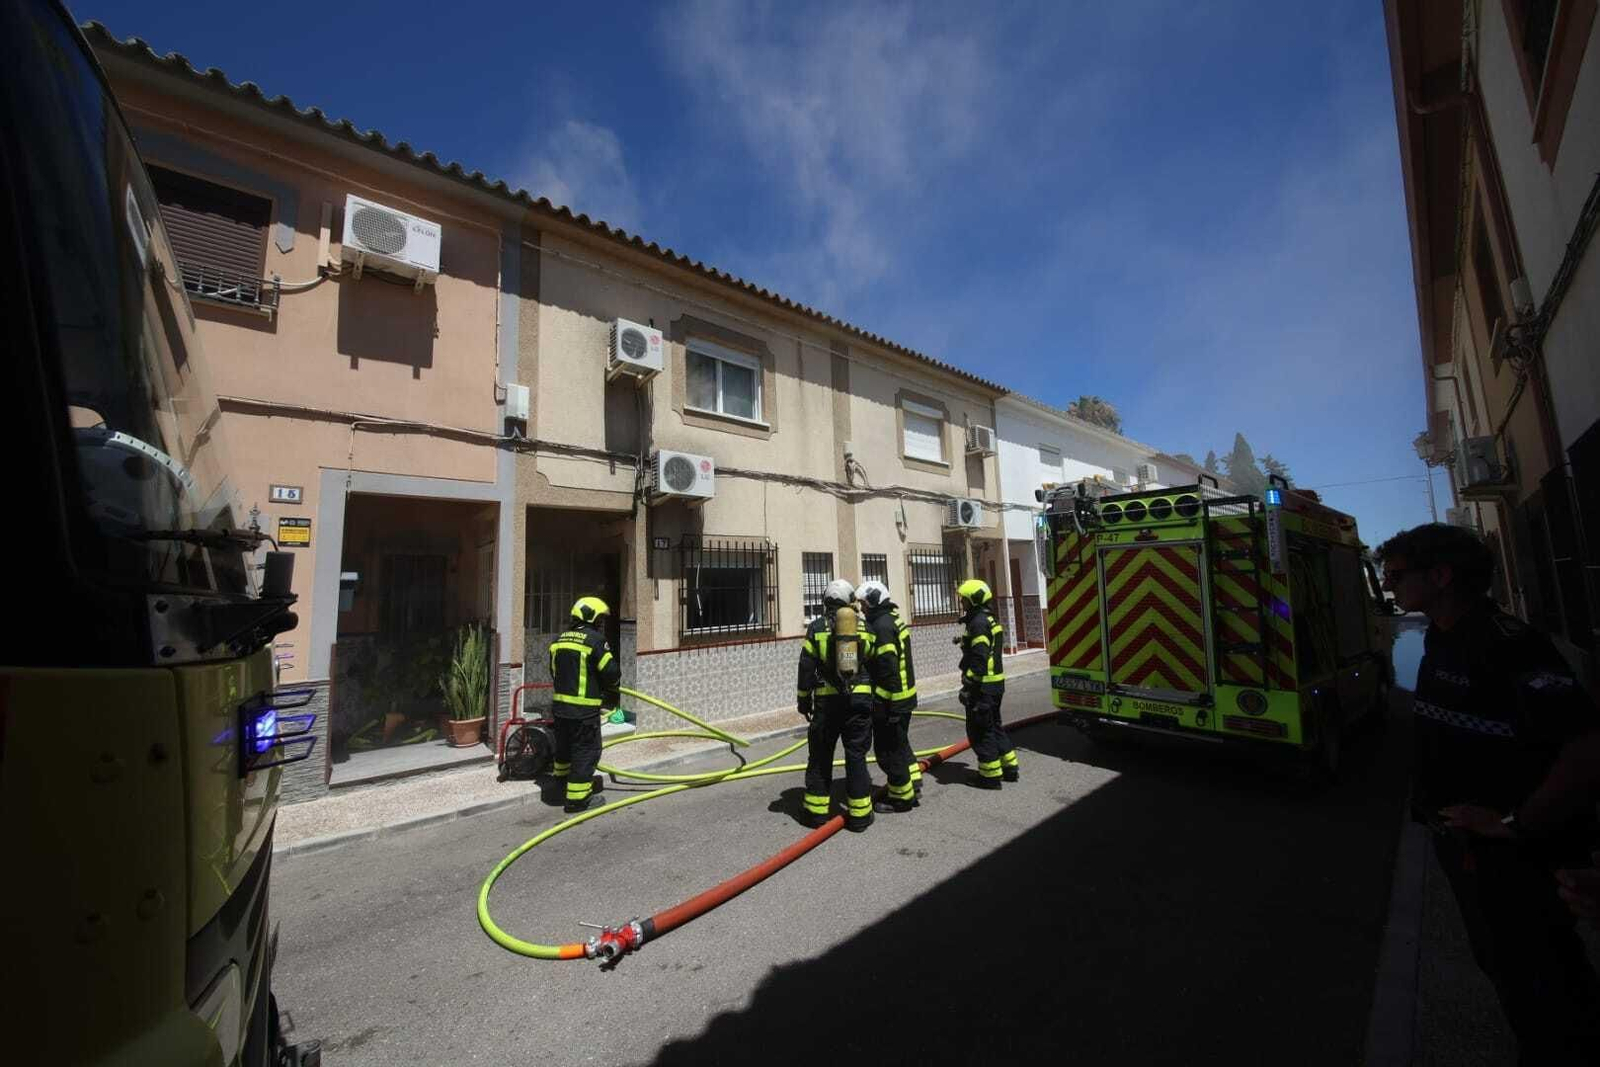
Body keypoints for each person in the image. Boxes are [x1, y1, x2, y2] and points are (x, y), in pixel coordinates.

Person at [1377, 523, 1600, 1063]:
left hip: (1513, 856)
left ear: (1441, 576)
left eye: (1397, 575)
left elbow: (1586, 745)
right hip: (1464, 844)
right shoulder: (1443, 634)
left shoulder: (1507, 645)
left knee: (1542, 982)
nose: (1388, 585)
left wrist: (1516, 824)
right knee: (1505, 967)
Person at [797, 578, 875, 831]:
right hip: (859, 701)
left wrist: (803, 700)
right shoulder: (864, 627)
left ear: (826, 601)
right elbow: (874, 660)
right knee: (856, 756)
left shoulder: (816, 628)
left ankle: (816, 814)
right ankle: (860, 816)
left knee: (821, 756)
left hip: (827, 704)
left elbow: (806, 667)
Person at [548, 596, 623, 814]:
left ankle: (561, 784)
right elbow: (611, 673)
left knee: (564, 748)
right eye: (600, 618)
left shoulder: (559, 640)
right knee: (586, 751)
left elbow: (553, 672)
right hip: (583, 712)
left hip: (560, 709)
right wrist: (611, 687)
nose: (601, 622)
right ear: (592, 617)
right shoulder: (595, 641)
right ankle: (578, 799)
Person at [857, 580, 920, 809]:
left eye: (864, 604)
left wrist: (884, 703)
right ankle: (912, 782)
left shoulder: (881, 627)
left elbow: (888, 669)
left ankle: (901, 798)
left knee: (887, 751)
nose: (862, 609)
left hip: (892, 701)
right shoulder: (891, 618)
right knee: (900, 744)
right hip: (903, 698)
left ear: (874, 601)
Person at [954, 578, 1018, 789]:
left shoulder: (979, 623)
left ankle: (990, 777)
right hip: (995, 684)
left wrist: (969, 684)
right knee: (994, 726)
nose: (962, 602)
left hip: (982, 687)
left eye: (964, 599)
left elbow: (980, 657)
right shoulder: (989, 619)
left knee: (981, 731)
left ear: (973, 600)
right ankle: (1009, 767)